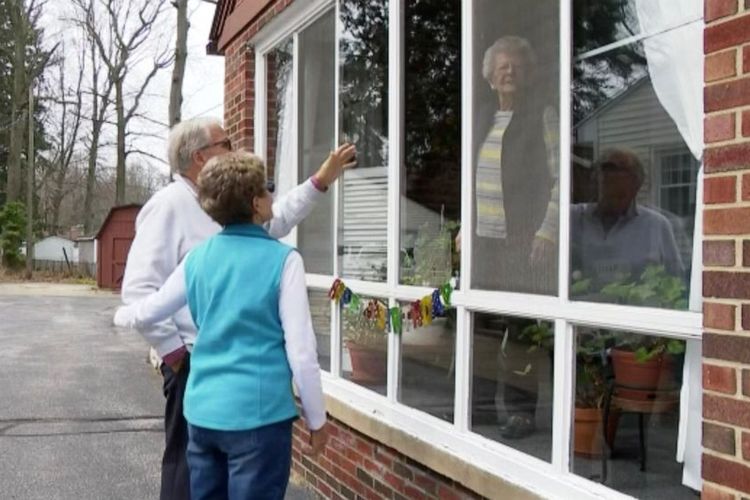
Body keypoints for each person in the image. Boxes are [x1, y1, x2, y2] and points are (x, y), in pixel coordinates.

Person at [120, 116, 355, 500]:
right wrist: (176, 354)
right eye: (226, 144)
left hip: (208, 390)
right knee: (183, 479)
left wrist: (319, 182)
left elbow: (272, 219)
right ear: (200, 157)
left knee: (201, 483)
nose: (234, 148)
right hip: (200, 371)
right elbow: (138, 292)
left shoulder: (215, 224)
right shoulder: (169, 206)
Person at [468, 36, 559, 440]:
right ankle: (482, 408)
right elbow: (470, 181)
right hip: (483, 240)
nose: (508, 72)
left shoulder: (542, 115)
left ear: (528, 74)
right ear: (489, 78)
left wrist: (548, 230)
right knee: (483, 327)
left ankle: (522, 412)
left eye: (516, 66)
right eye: (501, 66)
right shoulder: (483, 118)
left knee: (521, 330)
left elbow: (561, 180)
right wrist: (463, 229)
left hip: (525, 237)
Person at [570, 147, 685, 293]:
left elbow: (676, 282)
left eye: (620, 194)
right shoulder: (572, 217)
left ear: (635, 189)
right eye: (607, 191)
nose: (612, 200)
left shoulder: (656, 226)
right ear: (596, 186)